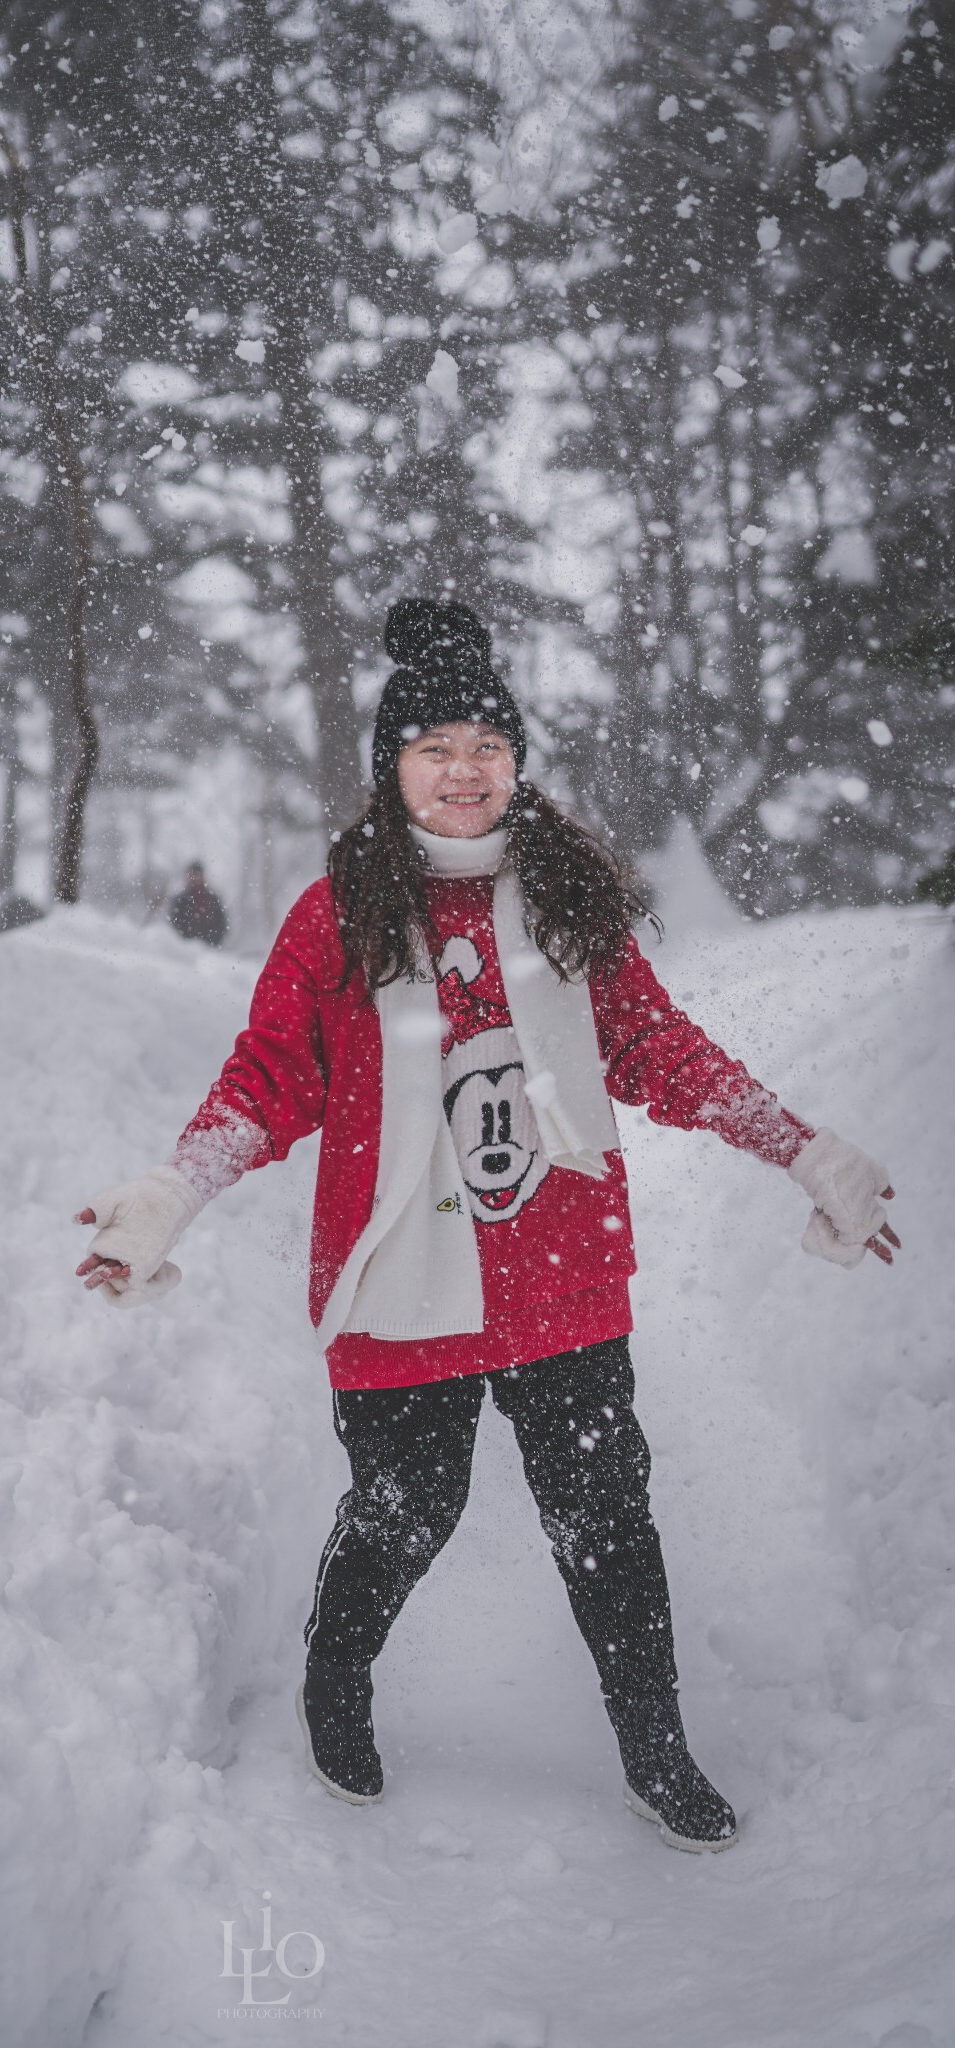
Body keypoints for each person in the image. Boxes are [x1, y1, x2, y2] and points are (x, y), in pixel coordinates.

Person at [74, 598, 899, 1855]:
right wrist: (169, 1192)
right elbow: (267, 1079)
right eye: (432, 746)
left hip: (559, 1270)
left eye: (484, 745)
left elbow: (652, 1048)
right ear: (390, 767)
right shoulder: (337, 915)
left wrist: (800, 1147)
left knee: (606, 1519)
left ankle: (652, 1744)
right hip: (401, 1275)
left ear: (515, 761)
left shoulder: (567, 898)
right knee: (407, 1508)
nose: (462, 771)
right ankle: (334, 1673)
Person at [167, 860, 228, 948]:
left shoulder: (212, 899)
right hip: (184, 948)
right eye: (193, 875)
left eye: (198, 875)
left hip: (209, 949)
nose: (196, 879)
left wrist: (209, 941)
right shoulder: (181, 900)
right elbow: (175, 925)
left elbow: (221, 925)